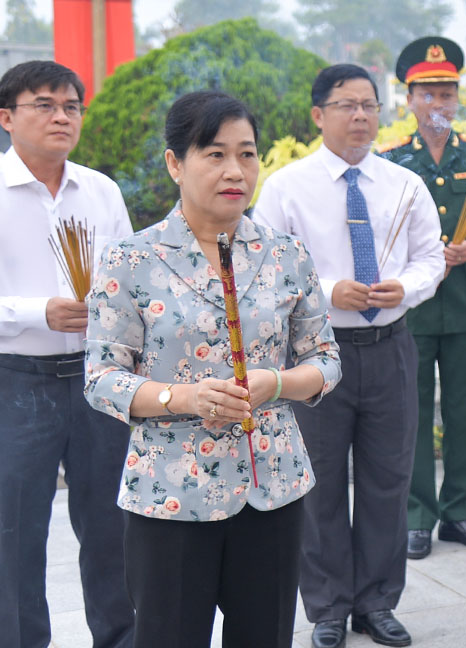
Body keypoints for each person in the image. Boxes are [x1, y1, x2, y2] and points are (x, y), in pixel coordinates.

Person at [84, 90, 341, 647]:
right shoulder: (131, 260)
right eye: (215, 153)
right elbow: (101, 378)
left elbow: (326, 358)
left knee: (266, 636)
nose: (235, 170)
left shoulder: (287, 254)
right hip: (171, 492)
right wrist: (184, 398)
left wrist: (278, 383)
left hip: (273, 485)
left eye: (247, 154)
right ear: (176, 162)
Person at [255, 64, 444, 648]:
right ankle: (328, 607)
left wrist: (405, 288)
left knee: (391, 478)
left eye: (369, 105)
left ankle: (378, 602)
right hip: (315, 352)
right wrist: (327, 290)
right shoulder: (287, 187)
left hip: (390, 348)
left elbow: (430, 259)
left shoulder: (405, 184)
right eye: (346, 105)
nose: (360, 116)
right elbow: (264, 268)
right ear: (318, 115)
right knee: (320, 483)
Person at [0, 61, 134, 648]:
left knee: (115, 527)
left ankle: (125, 639)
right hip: (16, 382)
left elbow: (131, 278)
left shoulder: (100, 190)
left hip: (98, 378)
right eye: (45, 104)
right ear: (6, 118)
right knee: (14, 534)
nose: (62, 116)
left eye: (72, 105)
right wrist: (38, 312)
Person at [382, 38, 466, 559]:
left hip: (465, 303)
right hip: (412, 309)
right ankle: (417, 517)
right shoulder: (391, 162)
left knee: (464, 412)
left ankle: (461, 514)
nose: (440, 102)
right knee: (411, 415)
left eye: (449, 93)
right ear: (409, 99)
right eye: (429, 93)